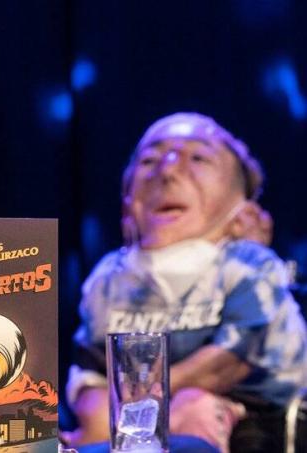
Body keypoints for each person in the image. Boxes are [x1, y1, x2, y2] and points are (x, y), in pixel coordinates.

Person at [62, 112, 307, 453]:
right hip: (139, 419)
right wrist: (100, 419)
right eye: (149, 160)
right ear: (128, 203)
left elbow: (225, 365)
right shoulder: (109, 279)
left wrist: (131, 407)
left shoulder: (247, 264)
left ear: (243, 212)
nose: (167, 172)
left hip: (248, 417)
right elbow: (91, 380)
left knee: (192, 408)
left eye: (198, 158)